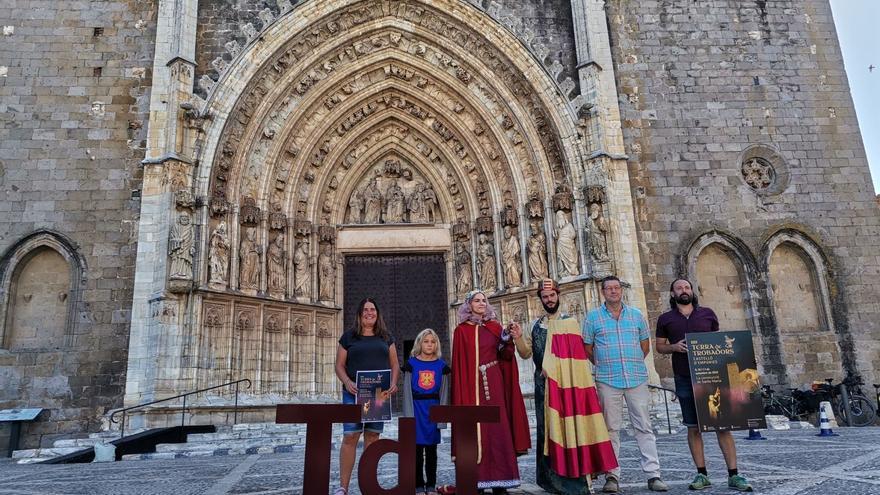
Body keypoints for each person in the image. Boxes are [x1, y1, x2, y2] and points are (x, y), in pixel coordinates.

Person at [515, 278, 617, 494]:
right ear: (540, 299)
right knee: (547, 430)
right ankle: (552, 479)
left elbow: (575, 358)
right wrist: (517, 338)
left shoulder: (569, 322)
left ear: (558, 296)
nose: (549, 300)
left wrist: (552, 367)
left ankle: (575, 477)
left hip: (566, 385)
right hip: (543, 386)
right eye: (545, 297)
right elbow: (526, 353)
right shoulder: (535, 324)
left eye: (552, 296)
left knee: (569, 426)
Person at [655, 278, 753, 492]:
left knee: (723, 426)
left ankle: (734, 475)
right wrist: (674, 347)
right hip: (684, 377)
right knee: (693, 428)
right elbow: (660, 347)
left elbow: (719, 343)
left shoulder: (707, 314)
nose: (684, 290)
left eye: (687, 287)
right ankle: (702, 474)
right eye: (679, 288)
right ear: (672, 293)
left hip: (712, 377)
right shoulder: (665, 319)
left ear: (692, 291)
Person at [582, 276, 668, 493]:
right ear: (602, 292)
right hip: (607, 379)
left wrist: (630, 362)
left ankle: (653, 474)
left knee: (644, 426)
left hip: (636, 377)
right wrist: (604, 363)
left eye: (616, 287)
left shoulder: (636, 316)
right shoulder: (593, 318)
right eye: (609, 288)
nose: (613, 291)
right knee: (611, 428)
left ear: (621, 290)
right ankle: (612, 475)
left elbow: (645, 346)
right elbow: (588, 349)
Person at [451, 290, 530, 494]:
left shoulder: (495, 327)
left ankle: (501, 481)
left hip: (493, 384)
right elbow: (459, 364)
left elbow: (506, 355)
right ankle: (477, 480)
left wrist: (506, 340)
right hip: (471, 385)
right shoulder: (461, 331)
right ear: (468, 305)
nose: (481, 304)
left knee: (497, 428)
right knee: (475, 429)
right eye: (476, 301)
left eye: (484, 301)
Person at [333, 298, 400, 495]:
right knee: (350, 436)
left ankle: (368, 486)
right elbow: (339, 365)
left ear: (377, 313)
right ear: (359, 313)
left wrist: (394, 382)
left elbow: (395, 364)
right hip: (353, 393)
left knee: (372, 437)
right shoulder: (349, 337)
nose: (369, 312)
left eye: (372, 309)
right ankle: (343, 487)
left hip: (378, 393)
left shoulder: (386, 337)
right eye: (365, 309)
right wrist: (347, 382)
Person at [402, 328, 451, 495]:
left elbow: (444, 392)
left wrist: (442, 417)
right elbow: (407, 392)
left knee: (431, 451)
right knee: (416, 451)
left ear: (436, 344)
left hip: (433, 410)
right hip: (416, 409)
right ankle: (418, 484)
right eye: (426, 341)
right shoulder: (411, 364)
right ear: (419, 343)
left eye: (432, 341)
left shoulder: (441, 366)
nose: (429, 344)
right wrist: (408, 417)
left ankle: (431, 484)